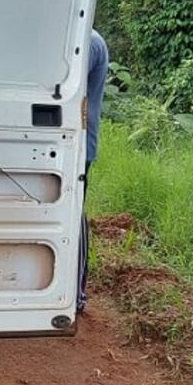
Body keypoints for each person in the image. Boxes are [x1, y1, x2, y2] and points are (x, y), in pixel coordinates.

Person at [78, 29, 108, 313]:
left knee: (72, 214)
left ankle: (76, 293)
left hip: (77, 146)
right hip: (72, 143)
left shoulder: (88, 42)